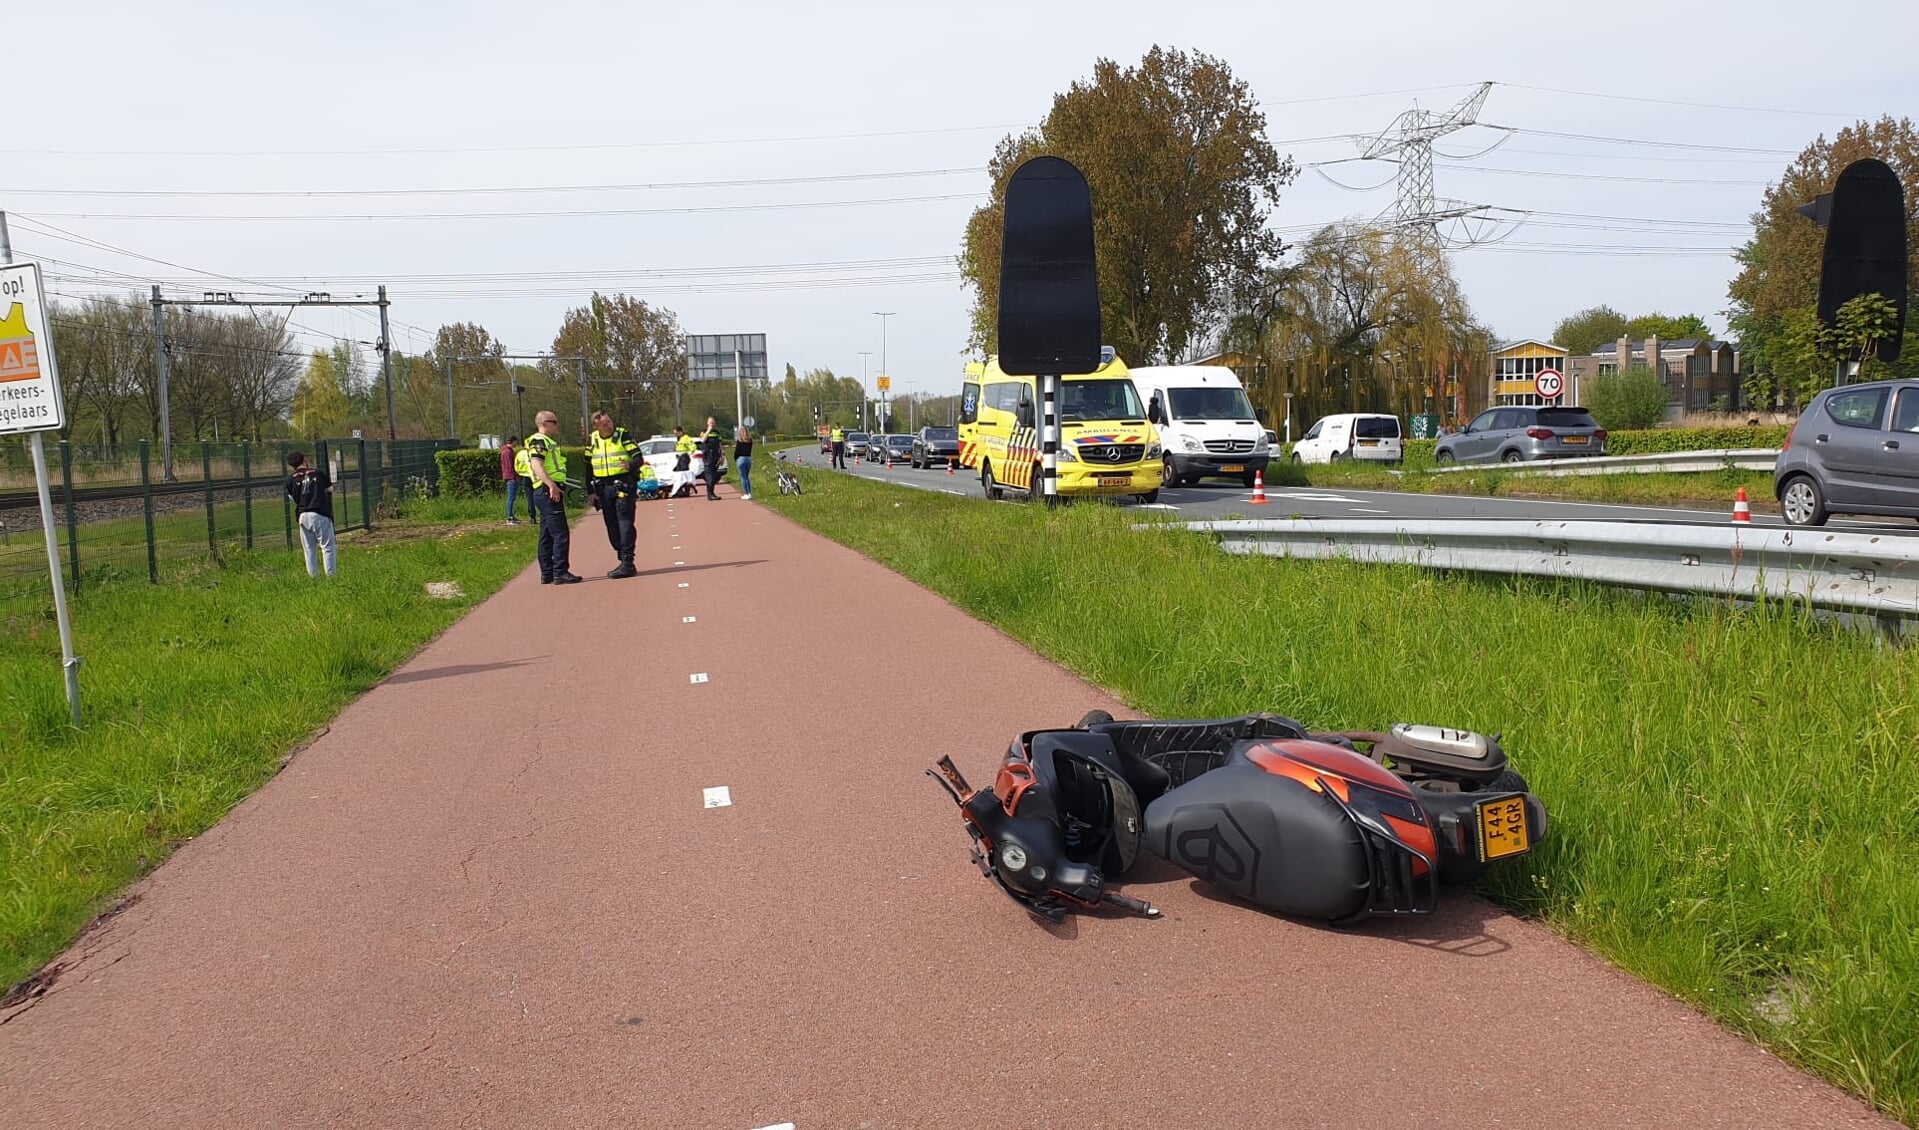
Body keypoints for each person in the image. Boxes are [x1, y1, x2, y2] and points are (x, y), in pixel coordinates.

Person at [524, 411, 581, 585]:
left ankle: (547, 573)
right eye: (554, 422)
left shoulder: (547, 441)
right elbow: (536, 464)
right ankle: (560, 572)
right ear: (544, 423)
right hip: (547, 490)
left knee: (547, 534)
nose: (557, 425)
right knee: (560, 533)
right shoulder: (539, 440)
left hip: (544, 490)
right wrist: (551, 485)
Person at [586, 410, 642, 579]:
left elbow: (638, 457)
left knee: (625, 522)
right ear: (597, 427)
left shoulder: (622, 434)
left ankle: (627, 561)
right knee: (611, 525)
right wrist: (590, 492)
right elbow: (587, 466)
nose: (609, 425)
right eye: (604, 424)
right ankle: (622, 555)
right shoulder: (592, 439)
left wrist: (630, 465)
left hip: (623, 484)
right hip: (603, 487)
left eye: (609, 421)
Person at [285, 450, 337, 578]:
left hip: (303, 516)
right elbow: (329, 488)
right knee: (327, 547)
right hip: (320, 513)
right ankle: (331, 577)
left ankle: (313, 577)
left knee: (309, 549)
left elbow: (291, 497)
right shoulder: (318, 473)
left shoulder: (290, 479)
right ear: (304, 460)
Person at [500, 438, 522, 525]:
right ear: (513, 441)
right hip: (511, 477)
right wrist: (515, 476)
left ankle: (511, 515)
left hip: (510, 476)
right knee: (511, 497)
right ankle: (510, 517)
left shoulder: (507, 451)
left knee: (512, 497)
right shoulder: (507, 452)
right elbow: (510, 466)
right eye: (516, 442)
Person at [670, 426, 697, 498]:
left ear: (680, 432)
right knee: (679, 474)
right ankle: (680, 490)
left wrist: (689, 453)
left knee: (684, 474)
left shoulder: (686, 438)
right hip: (680, 458)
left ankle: (686, 491)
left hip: (684, 458)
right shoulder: (679, 438)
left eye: (676, 433)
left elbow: (693, 446)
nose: (675, 435)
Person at [733, 423, 755, 501]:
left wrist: (735, 459)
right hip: (748, 459)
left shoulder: (739, 441)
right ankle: (749, 493)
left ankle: (746, 493)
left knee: (743, 477)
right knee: (747, 477)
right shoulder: (750, 441)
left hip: (741, 459)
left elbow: (737, 452)